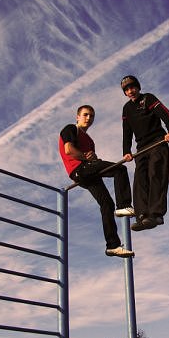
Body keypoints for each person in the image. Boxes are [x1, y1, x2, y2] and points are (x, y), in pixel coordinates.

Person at [59, 105, 135, 258]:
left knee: (107, 204)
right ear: (77, 117)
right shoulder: (71, 129)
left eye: (92, 116)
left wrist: (94, 158)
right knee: (119, 169)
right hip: (79, 170)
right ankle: (123, 205)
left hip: (89, 172)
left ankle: (112, 246)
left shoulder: (90, 141)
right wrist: (86, 157)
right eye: (85, 115)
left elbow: (93, 161)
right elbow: (69, 150)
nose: (89, 118)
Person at [120, 75, 169, 231]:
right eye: (127, 90)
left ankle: (156, 214)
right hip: (141, 148)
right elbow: (126, 131)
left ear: (138, 87)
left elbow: (165, 113)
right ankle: (142, 215)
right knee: (140, 179)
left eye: (132, 87)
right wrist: (126, 151)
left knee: (155, 173)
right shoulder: (127, 108)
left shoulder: (148, 98)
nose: (130, 91)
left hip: (157, 141)